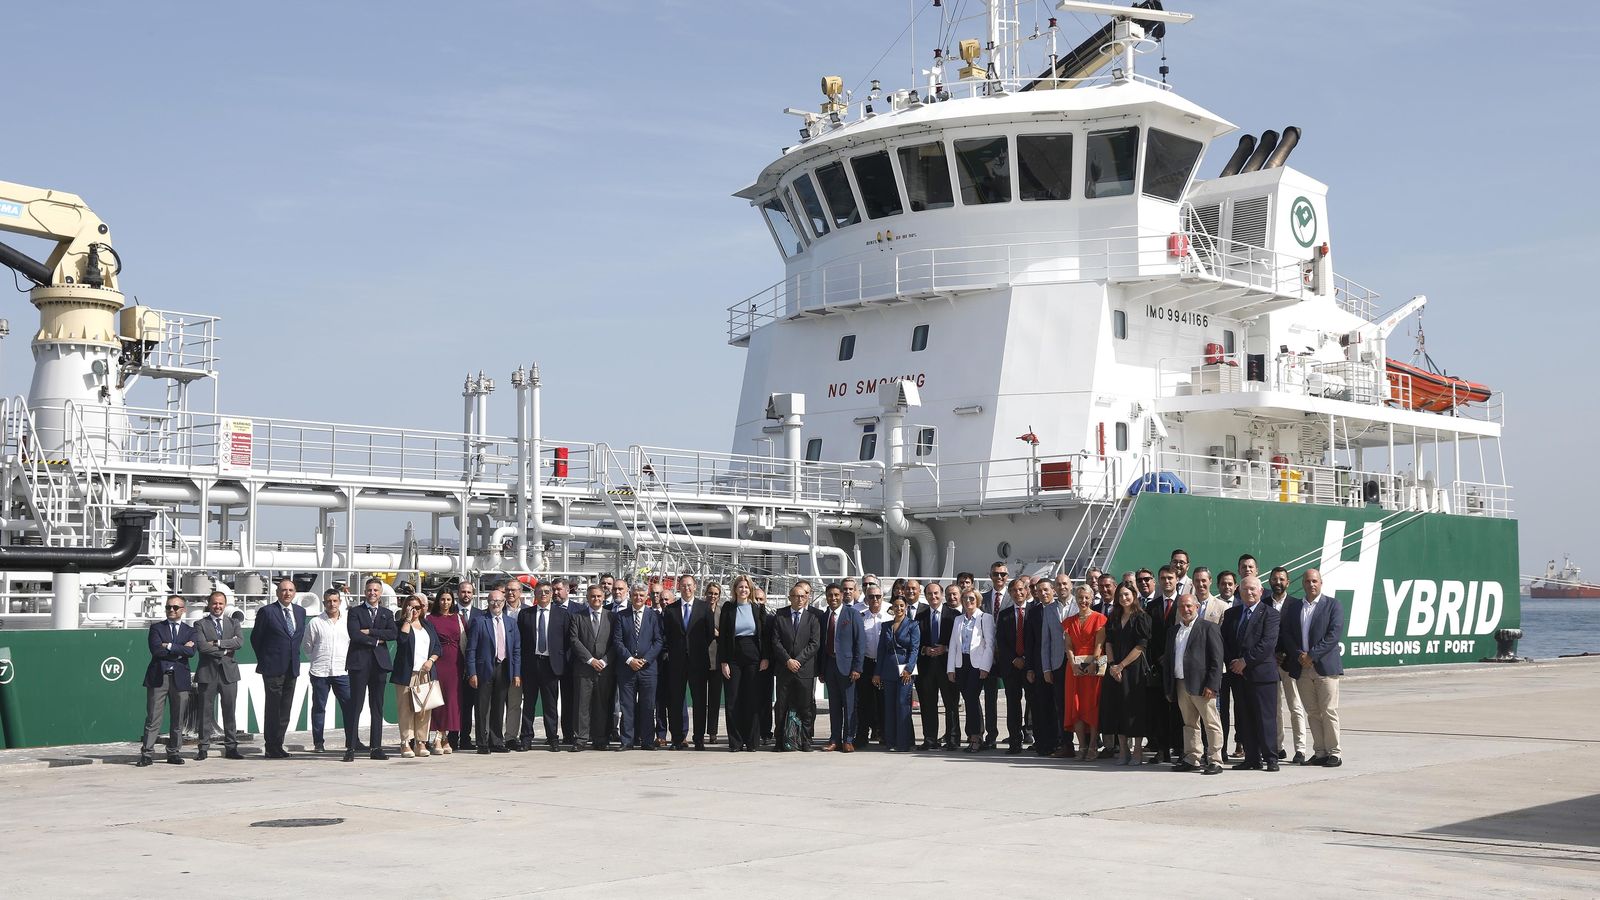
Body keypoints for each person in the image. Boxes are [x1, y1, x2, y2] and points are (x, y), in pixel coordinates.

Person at [1280, 568, 1344, 767]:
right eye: (1308, 581)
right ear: (1303, 584)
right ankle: (1320, 752)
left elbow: (1333, 635)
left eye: (1315, 581)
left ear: (1321, 583)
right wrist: (1299, 655)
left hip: (1324, 667)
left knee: (1329, 711)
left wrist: (1312, 655)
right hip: (1302, 667)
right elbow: (1287, 634)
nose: (1311, 584)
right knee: (1313, 712)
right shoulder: (1295, 607)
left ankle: (1334, 752)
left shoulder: (1333, 605)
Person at [1223, 575, 1282, 772]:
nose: (1249, 592)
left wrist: (1245, 661)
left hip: (1262, 676)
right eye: (1245, 589)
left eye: (1253, 589)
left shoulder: (1270, 614)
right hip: (1239, 677)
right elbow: (1225, 641)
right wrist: (1233, 662)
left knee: (1265, 719)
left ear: (1261, 591)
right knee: (1245, 719)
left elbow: (1267, 644)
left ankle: (1271, 758)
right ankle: (1252, 758)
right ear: (1239, 591)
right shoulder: (1231, 614)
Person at [1166, 596, 1224, 775]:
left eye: (1189, 606)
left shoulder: (1209, 628)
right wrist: (1169, 687)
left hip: (1202, 685)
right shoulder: (1173, 631)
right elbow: (1169, 660)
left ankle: (1215, 760)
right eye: (1182, 606)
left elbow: (1217, 659)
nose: (1186, 609)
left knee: (1211, 723)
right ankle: (1192, 758)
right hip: (1181, 683)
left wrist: (1212, 685)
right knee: (1189, 724)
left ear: (1197, 607)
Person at [251, 579, 308, 759]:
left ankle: (279, 744)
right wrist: (267, 659)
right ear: (277, 593)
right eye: (283, 590)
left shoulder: (300, 612)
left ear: (295, 592)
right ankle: (271, 746)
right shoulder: (267, 612)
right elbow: (256, 639)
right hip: (273, 668)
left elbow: (296, 638)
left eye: (290, 590)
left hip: (292, 667)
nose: (287, 593)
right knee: (273, 708)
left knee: (285, 708)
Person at [139, 595, 196, 766]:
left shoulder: (190, 630)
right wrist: (180, 650)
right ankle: (147, 754)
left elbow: (191, 653)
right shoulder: (156, 628)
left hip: (180, 678)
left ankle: (174, 752)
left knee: (178, 719)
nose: (171, 610)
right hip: (159, 677)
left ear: (183, 610)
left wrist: (169, 646)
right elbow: (156, 650)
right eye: (168, 607)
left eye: (175, 607)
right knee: (153, 717)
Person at [344, 578, 397, 762]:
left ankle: (376, 747)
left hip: (379, 665)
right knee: (355, 706)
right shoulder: (355, 612)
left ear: (380, 592)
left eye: (375, 590)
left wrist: (370, 631)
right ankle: (350, 747)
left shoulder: (387, 613)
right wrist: (375, 640)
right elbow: (354, 634)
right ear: (365, 592)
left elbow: (392, 634)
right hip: (359, 664)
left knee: (377, 707)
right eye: (369, 590)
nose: (372, 593)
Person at [663, 573, 715, 750]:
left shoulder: (704, 608)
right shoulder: (670, 610)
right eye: (683, 585)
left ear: (695, 586)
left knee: (700, 701)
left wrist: (696, 650)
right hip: (676, 663)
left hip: (698, 662)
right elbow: (667, 636)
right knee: (675, 701)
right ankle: (677, 738)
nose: (687, 588)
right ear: (679, 587)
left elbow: (709, 634)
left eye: (689, 585)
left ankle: (699, 738)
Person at [467, 589, 521, 753]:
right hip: (484, 669)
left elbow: (516, 649)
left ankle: (496, 741)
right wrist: (472, 672)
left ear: (504, 602)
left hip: (504, 668)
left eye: (499, 601)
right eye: (492, 601)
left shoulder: (510, 622)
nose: (496, 604)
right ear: (487, 603)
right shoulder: (479, 621)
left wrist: (516, 673)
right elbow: (471, 649)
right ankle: (482, 743)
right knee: (482, 707)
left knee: (499, 707)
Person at [1102, 584, 1151, 765]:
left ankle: (1137, 751)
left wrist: (1121, 665)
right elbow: (1108, 643)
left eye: (1127, 594)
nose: (1124, 598)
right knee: (1117, 709)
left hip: (1133, 670)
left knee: (1133, 709)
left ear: (1134, 596)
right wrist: (1113, 665)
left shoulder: (1141, 618)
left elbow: (1140, 646)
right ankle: (1123, 750)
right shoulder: (1113, 617)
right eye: (1121, 595)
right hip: (1114, 671)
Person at [768, 581, 821, 751]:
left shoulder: (812, 618)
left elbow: (814, 643)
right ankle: (780, 741)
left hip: (804, 670)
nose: (799, 599)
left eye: (803, 596)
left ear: (807, 598)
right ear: (789, 597)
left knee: (805, 707)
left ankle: (805, 741)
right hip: (785, 669)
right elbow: (775, 641)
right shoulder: (780, 616)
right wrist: (787, 660)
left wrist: (798, 660)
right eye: (796, 596)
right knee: (782, 706)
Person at [719, 574, 768, 752]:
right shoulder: (728, 608)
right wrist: (723, 662)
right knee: (732, 700)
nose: (743, 590)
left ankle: (752, 741)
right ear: (735, 589)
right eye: (740, 587)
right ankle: (736, 741)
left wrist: (765, 657)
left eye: (746, 587)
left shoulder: (758, 608)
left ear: (751, 589)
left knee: (752, 700)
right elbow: (723, 637)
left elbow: (764, 636)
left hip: (754, 656)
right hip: (733, 656)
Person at [1265, 566, 1309, 763]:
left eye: (1281, 579)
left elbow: (1299, 634)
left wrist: (1286, 653)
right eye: (1274, 579)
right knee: (1273, 708)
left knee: (1295, 706)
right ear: (1269, 582)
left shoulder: (1296, 605)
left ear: (1288, 582)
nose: (1278, 582)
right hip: (1269, 662)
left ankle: (1300, 749)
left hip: (1290, 663)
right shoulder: (1263, 604)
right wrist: (1272, 654)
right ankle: (1278, 746)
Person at [613, 583, 664, 750]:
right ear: (631, 596)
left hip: (648, 669)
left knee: (648, 705)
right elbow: (618, 641)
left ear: (646, 597)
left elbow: (658, 641)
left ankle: (647, 741)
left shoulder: (653, 616)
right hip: (627, 669)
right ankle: (627, 740)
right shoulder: (621, 616)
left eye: (641, 595)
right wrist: (629, 660)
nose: (638, 598)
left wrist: (645, 660)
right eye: (635, 595)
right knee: (627, 706)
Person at [193, 590, 243, 761]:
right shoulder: (200, 624)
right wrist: (226, 650)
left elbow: (239, 642)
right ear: (209, 604)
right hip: (208, 673)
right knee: (205, 712)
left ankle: (231, 747)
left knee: (230, 711)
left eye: (221, 603)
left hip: (229, 674)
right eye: (214, 603)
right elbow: (202, 647)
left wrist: (217, 643)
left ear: (225, 604)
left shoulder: (234, 622)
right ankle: (203, 747)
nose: (217, 606)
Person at [816, 583, 865, 753]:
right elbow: (821, 645)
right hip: (829, 666)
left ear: (842, 595)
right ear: (826, 597)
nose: (834, 598)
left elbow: (860, 642)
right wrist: (821, 670)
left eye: (837, 595)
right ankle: (834, 739)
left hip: (847, 667)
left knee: (850, 705)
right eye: (830, 595)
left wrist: (857, 667)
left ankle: (848, 739)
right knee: (834, 706)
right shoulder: (824, 617)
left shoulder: (853, 614)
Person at [518, 582, 567, 751]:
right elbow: (521, 643)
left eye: (547, 592)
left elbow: (567, 642)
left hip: (551, 665)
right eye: (540, 592)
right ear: (535, 595)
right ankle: (526, 739)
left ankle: (553, 738)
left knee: (550, 705)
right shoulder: (525, 615)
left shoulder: (562, 615)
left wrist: (562, 665)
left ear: (552, 594)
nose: (543, 594)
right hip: (531, 664)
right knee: (529, 704)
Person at [301, 589, 351, 754]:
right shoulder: (315, 622)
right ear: (324, 603)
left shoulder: (348, 622)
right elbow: (308, 646)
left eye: (335, 601)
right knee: (319, 708)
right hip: (320, 672)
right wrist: (317, 659)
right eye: (329, 601)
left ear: (340, 602)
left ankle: (351, 741)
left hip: (342, 671)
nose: (332, 604)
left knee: (349, 707)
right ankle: (318, 743)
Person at [392, 595, 441, 758]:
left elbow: (437, 647)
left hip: (425, 672)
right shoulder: (401, 625)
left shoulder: (428, 625)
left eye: (418, 608)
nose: (415, 611)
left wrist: (431, 660)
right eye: (411, 608)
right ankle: (406, 742)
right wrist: (407, 619)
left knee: (424, 709)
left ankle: (421, 742)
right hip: (407, 673)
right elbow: (402, 640)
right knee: (405, 709)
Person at [567, 584, 615, 751]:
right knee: (582, 705)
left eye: (599, 596)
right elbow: (574, 640)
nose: (596, 599)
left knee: (601, 705)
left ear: (603, 598)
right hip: (584, 669)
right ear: (587, 598)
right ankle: (580, 739)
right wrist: (590, 660)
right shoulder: (577, 617)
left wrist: (605, 661)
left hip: (605, 669)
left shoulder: (612, 617)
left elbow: (616, 642)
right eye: (592, 596)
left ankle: (600, 738)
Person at [947, 590, 994, 753]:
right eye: (965, 598)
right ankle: (975, 734)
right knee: (968, 699)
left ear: (978, 600)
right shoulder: (958, 619)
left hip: (977, 664)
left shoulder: (985, 618)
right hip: (962, 664)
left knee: (972, 698)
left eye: (971, 598)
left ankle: (976, 736)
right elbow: (953, 645)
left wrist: (985, 667)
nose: (968, 601)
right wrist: (950, 669)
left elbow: (989, 644)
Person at [1063, 584, 1106, 761]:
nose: (1083, 601)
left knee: (1092, 706)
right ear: (1076, 598)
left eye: (1087, 597)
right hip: (1074, 669)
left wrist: (1093, 664)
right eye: (1080, 597)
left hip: (1093, 669)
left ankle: (1094, 744)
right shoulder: (1069, 621)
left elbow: (1099, 645)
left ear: (1092, 598)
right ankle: (1081, 745)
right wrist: (1073, 664)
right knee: (1077, 706)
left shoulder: (1100, 618)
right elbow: (1068, 646)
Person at [1145, 566, 1183, 763]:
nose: (1167, 581)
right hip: (1159, 666)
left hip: (1178, 665)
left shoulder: (1184, 603)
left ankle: (1179, 747)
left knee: (1180, 709)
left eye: (1170, 578)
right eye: (1163, 578)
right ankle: (1162, 748)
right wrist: (1158, 658)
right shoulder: (1152, 607)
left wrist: (1171, 657)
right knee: (1159, 709)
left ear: (1177, 579)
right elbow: (1149, 637)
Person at [874, 594, 920, 752]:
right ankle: (891, 741)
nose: (899, 608)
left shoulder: (913, 625)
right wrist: (877, 672)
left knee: (902, 704)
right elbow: (880, 651)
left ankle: (904, 742)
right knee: (889, 706)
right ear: (892, 608)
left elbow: (915, 649)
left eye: (901, 605)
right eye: (896, 606)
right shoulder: (886, 626)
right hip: (888, 669)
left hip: (905, 670)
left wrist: (909, 669)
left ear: (906, 607)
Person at [1028, 579, 1068, 758]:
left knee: (1060, 705)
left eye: (1046, 590)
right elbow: (1032, 643)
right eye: (1039, 591)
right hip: (1042, 666)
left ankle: (1062, 741)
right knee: (1042, 705)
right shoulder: (1034, 612)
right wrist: (1031, 667)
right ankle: (1045, 743)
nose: (1043, 593)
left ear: (1053, 590)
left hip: (1064, 663)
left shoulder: (1064, 607)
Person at [915, 584, 957, 750]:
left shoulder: (954, 615)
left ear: (942, 595)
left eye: (936, 593)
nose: (933, 596)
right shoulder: (919, 616)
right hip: (926, 666)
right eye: (929, 594)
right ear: (925, 596)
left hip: (947, 665)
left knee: (951, 704)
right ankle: (930, 738)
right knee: (927, 704)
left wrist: (945, 648)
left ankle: (953, 739)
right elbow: (914, 642)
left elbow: (958, 641)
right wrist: (924, 649)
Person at [994, 579, 1032, 754]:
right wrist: (1014, 659)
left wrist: (1025, 658)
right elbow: (1001, 641)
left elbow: (1037, 640)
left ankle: (1038, 740)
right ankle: (1015, 742)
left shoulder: (1035, 611)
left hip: (1030, 666)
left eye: (1021, 590)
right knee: (1013, 706)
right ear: (1010, 593)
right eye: (1014, 591)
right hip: (1011, 666)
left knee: (1034, 704)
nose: (1018, 593)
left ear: (1026, 591)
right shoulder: (1004, 614)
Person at [424, 591, 462, 755]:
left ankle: (443, 737)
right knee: (438, 701)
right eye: (442, 599)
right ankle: (440, 738)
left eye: (448, 599)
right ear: (438, 601)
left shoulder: (458, 618)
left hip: (455, 664)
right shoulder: (430, 619)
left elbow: (464, 639)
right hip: (438, 662)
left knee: (451, 701)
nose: (445, 602)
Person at [855, 586, 887, 747]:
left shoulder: (888, 616)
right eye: (871, 596)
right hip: (866, 663)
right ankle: (862, 735)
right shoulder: (860, 617)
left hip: (884, 664)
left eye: (878, 596)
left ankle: (884, 734)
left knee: (883, 702)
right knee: (864, 702)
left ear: (882, 597)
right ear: (866, 599)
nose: (875, 599)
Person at [1215, 569, 1241, 759]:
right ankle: (1221, 748)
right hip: (1221, 668)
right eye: (1223, 584)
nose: (1227, 587)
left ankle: (1241, 743)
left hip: (1239, 666)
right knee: (1221, 709)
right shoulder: (1213, 605)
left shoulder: (1243, 605)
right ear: (1218, 586)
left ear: (1236, 586)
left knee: (1241, 707)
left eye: (1230, 584)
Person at [455, 579, 478, 751]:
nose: (466, 595)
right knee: (454, 704)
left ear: (473, 594)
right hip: (453, 666)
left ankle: (466, 738)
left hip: (474, 668)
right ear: (458, 593)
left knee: (469, 704)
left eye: (469, 592)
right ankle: (451, 737)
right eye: (463, 592)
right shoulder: (449, 612)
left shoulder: (481, 614)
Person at [704, 581, 726, 745]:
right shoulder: (699, 608)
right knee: (699, 699)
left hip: (717, 661)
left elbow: (726, 633)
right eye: (710, 593)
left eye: (715, 594)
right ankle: (698, 732)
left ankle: (712, 732)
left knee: (714, 699)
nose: (712, 596)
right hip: (700, 658)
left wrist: (716, 632)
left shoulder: (722, 611)